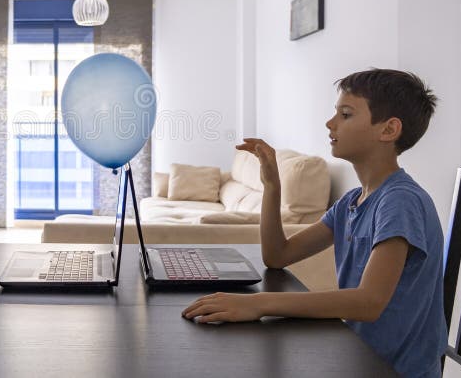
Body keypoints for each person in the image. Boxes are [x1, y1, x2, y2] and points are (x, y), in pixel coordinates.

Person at [182, 69, 446, 377]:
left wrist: (259, 304)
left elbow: (368, 302)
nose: (330, 123)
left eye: (345, 114)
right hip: (356, 356)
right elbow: (278, 255)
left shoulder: (399, 201)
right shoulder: (351, 202)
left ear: (388, 130)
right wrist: (272, 186)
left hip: (391, 370)